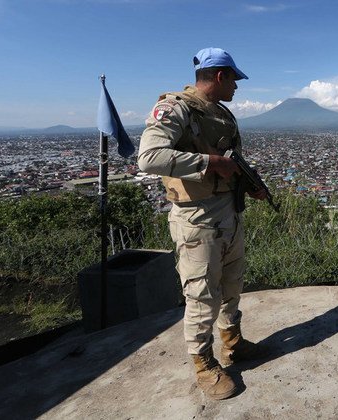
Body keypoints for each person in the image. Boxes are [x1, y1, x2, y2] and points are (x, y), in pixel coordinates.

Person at [138, 47, 266, 400]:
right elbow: (149, 156)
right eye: (234, 80)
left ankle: (233, 341)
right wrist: (209, 163)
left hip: (228, 211)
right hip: (196, 218)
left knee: (231, 284)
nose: (237, 87)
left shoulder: (220, 114)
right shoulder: (176, 107)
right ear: (220, 75)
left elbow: (229, 159)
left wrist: (246, 184)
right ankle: (204, 364)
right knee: (201, 295)